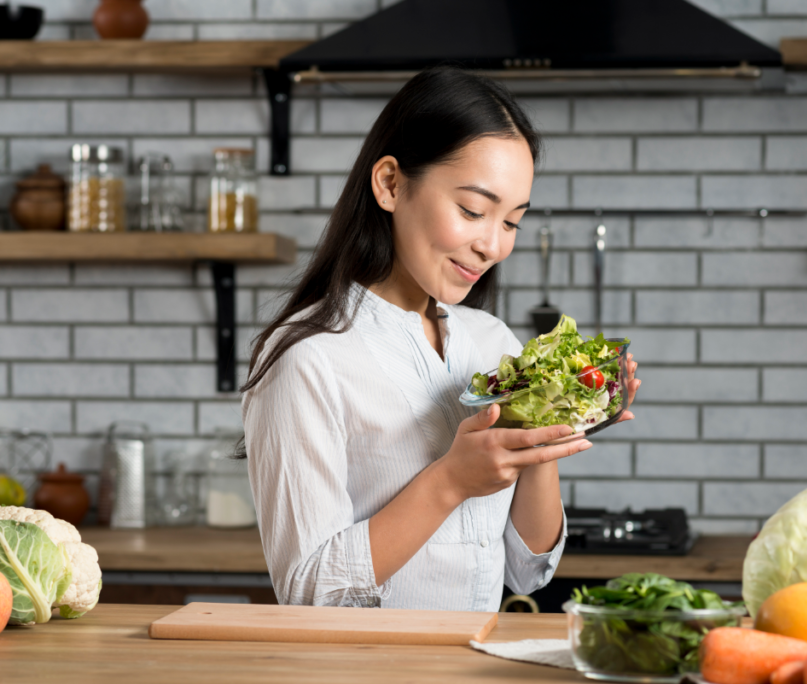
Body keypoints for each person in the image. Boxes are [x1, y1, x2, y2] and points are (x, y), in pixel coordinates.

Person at [241, 67, 640, 611]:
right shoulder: (308, 358)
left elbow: (528, 571)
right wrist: (450, 481)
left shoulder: (491, 340)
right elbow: (309, 593)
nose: (493, 246)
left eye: (512, 222)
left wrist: (552, 422)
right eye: (474, 211)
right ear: (390, 184)